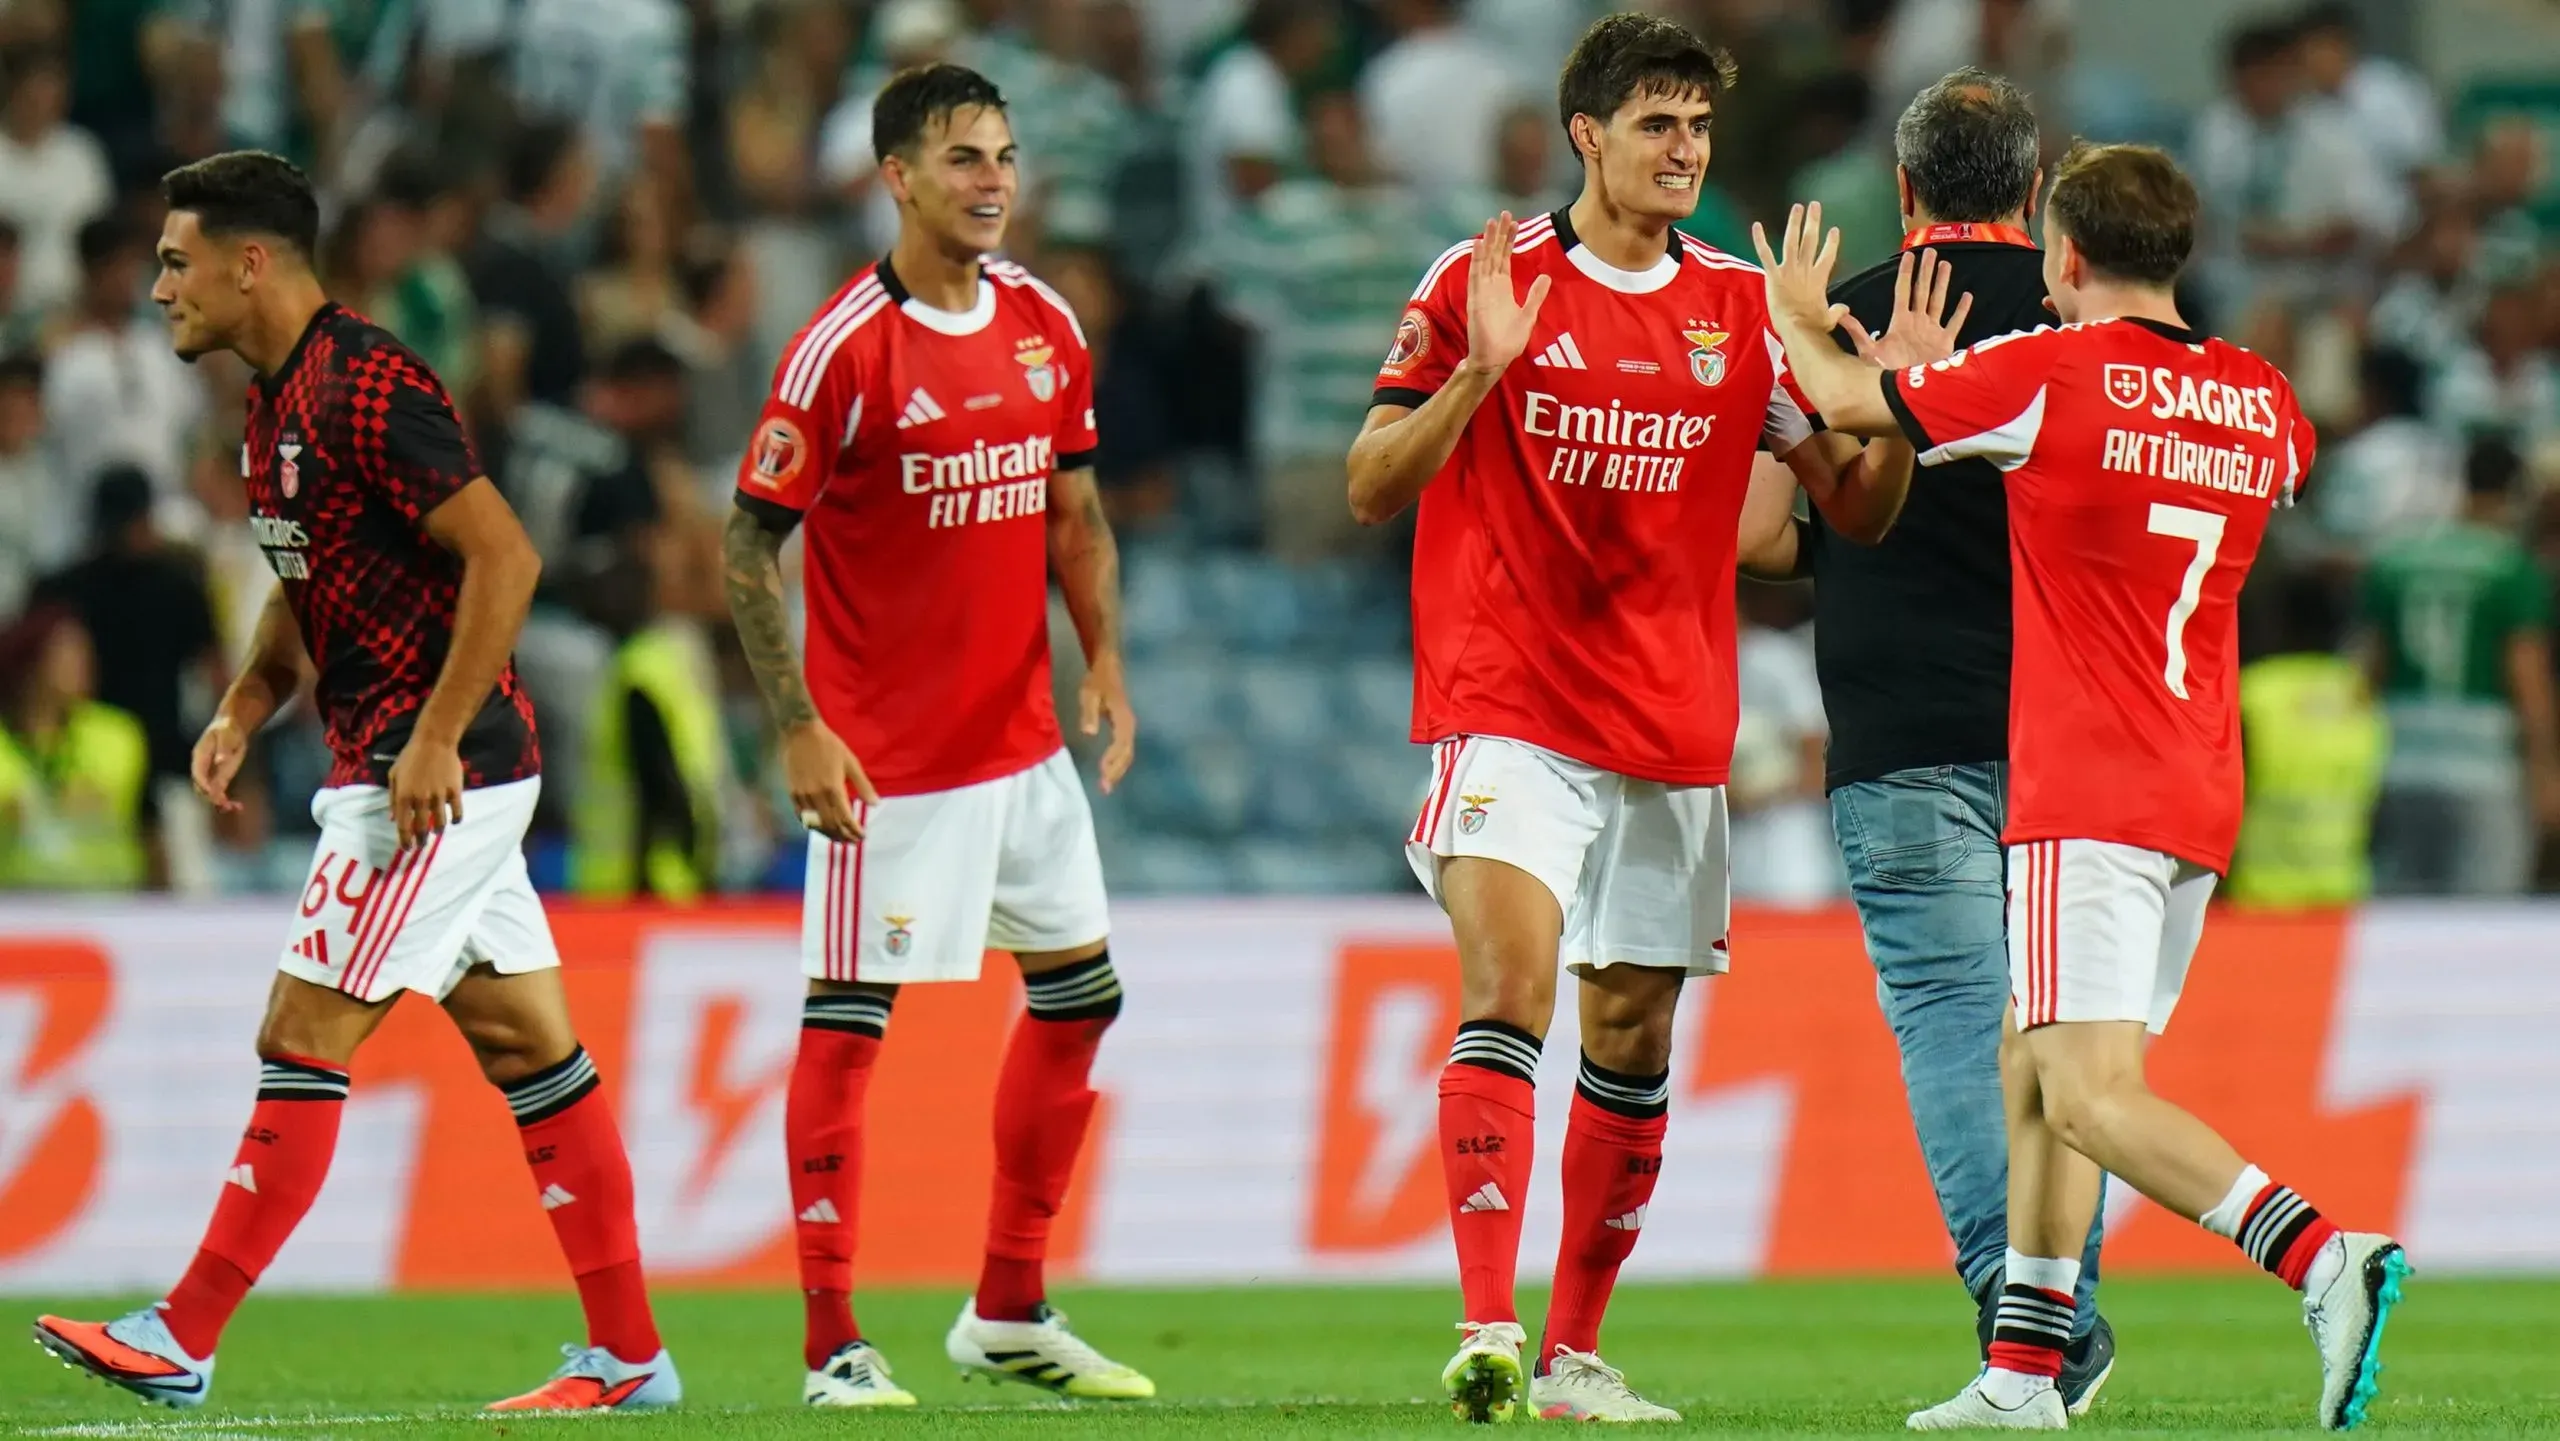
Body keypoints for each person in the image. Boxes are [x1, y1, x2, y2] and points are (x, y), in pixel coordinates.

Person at [1346, 13, 1957, 1423]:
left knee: (1631, 1038)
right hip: (1508, 707)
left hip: (1673, 729)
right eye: (1656, 125)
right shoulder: (1484, 281)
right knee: (1508, 985)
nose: (1683, 151)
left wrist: (1900, 411)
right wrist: (1482, 370)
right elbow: (1373, 483)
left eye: (1696, 127)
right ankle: (1486, 1328)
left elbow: (1852, 517)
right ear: (1588, 135)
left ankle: (1572, 1355)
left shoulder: (1741, 308)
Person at [1757, 144, 2409, 1431]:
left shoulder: (2052, 373)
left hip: (2086, 786)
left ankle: (2322, 1255)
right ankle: (2022, 1374)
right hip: (2198, 790)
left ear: (2062, 257)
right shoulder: (2259, 398)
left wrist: (1791, 316)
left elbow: (1845, 397)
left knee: (2087, 1093)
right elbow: (2283, 463)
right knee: (2033, 1062)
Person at [31, 151, 678, 1414]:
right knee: (530, 1049)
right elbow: (307, 578)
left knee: (301, 1028)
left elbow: (505, 553)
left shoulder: (367, 382)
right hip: (413, 759)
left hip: (427, 778)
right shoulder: (275, 403)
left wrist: (434, 736)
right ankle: (631, 1354)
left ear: (249, 261)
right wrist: (246, 699)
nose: (161, 285)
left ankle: (183, 1333)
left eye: (177, 261)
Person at [721, 63, 1150, 1408]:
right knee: (851, 1030)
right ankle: (830, 1343)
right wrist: (796, 727)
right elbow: (745, 548)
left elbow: (1075, 515)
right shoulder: (843, 347)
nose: (993, 181)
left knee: (1083, 998)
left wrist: (1110, 666)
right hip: (887, 766)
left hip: (1022, 744)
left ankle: (1008, 1308)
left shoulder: (1042, 322)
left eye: (1005, 156)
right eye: (963, 158)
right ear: (895, 177)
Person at [1737, 68, 2116, 1408]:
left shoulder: (1829, 321)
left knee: (1953, 1020)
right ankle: (2051, 1302)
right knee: (2074, 1031)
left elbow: (1759, 542)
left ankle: (2030, 1317)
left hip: (1897, 723)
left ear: (1901, 192)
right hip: (2075, 727)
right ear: (2035, 184)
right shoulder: (2092, 328)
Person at [2360, 436, 2559, 895]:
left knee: (2400, 905)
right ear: (2515, 494)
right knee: (2483, 915)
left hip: (2400, 752)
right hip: (2482, 762)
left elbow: (2371, 666)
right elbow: (2528, 681)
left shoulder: (2397, 558)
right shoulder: (2511, 569)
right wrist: (2544, 772)